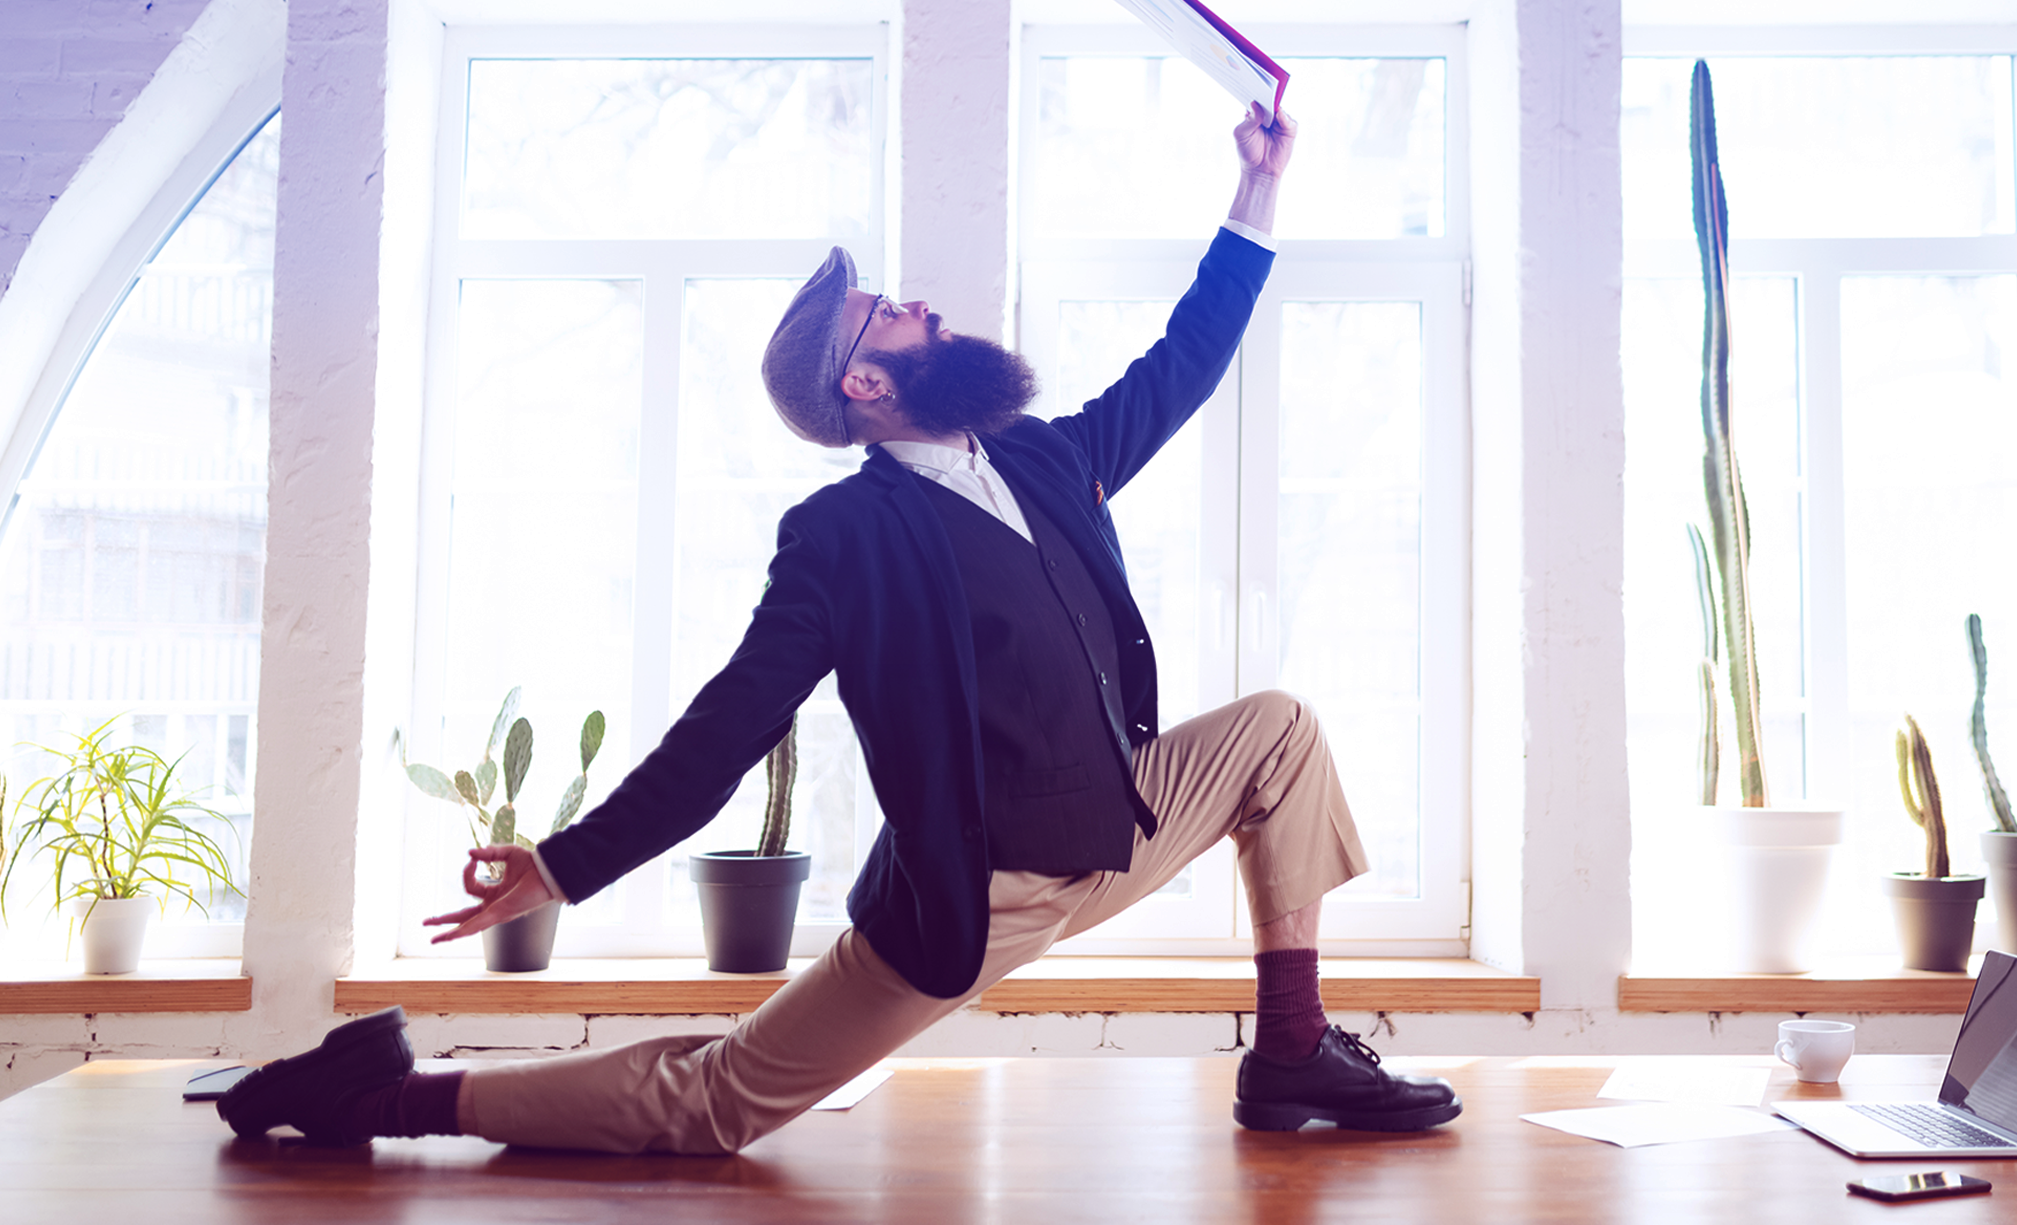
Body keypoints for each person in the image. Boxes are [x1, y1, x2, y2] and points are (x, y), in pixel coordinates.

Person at [219, 105, 1460, 1152]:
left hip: (1118, 824)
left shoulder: (1037, 459)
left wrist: (1256, 190)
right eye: (889, 313)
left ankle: (1290, 1054)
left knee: (1277, 732)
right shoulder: (844, 539)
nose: (920, 305)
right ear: (864, 382)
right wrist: (564, 864)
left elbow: (1179, 364)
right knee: (716, 1104)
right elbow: (727, 728)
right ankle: (381, 1095)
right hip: (984, 894)